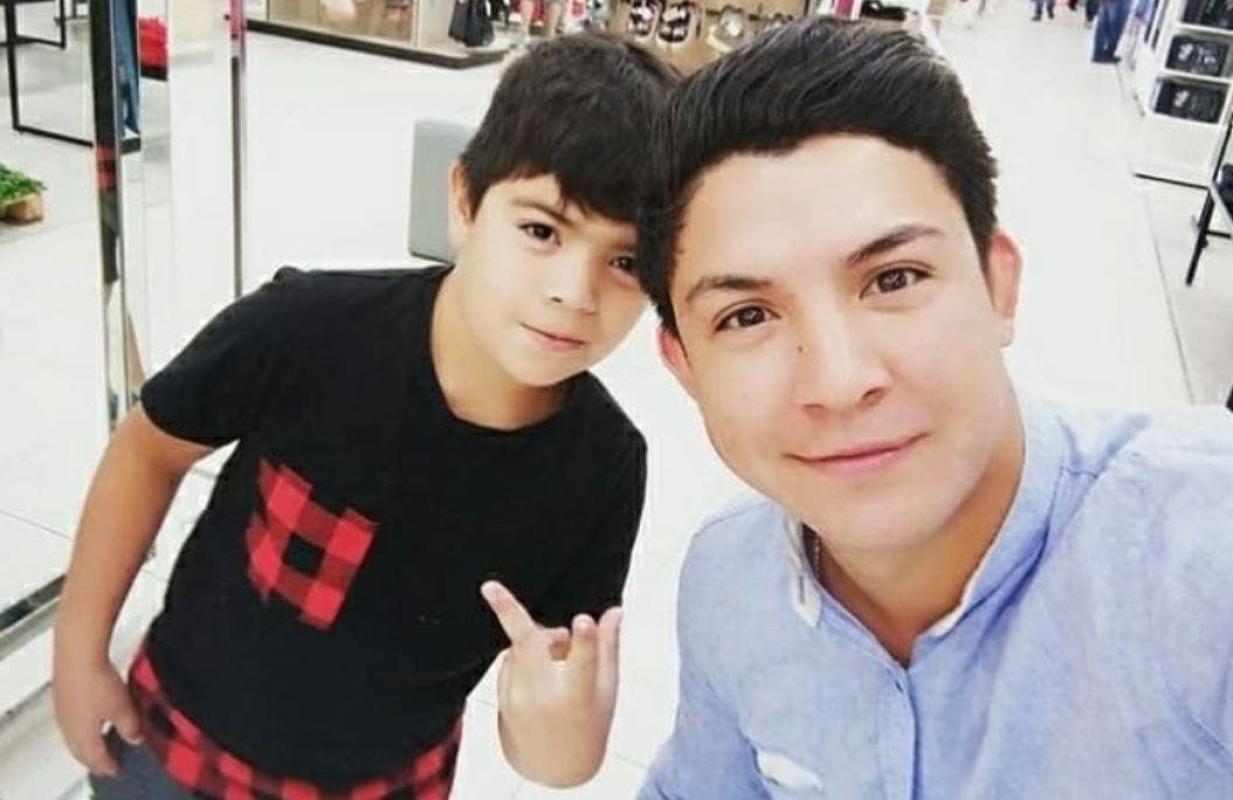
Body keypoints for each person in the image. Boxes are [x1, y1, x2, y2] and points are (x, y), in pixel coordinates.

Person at [53, 34, 674, 799]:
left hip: (390, 784)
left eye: (625, 262)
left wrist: (565, 728)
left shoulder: (603, 466)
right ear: (463, 201)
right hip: (176, 745)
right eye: (541, 231)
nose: (574, 292)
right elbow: (149, 448)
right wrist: (78, 647)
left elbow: (551, 755)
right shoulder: (306, 328)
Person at [634, 17, 1233, 798]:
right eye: (746, 317)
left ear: (998, 285)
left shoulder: (1201, 566)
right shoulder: (728, 582)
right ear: (683, 366)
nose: (839, 382)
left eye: (893, 279)